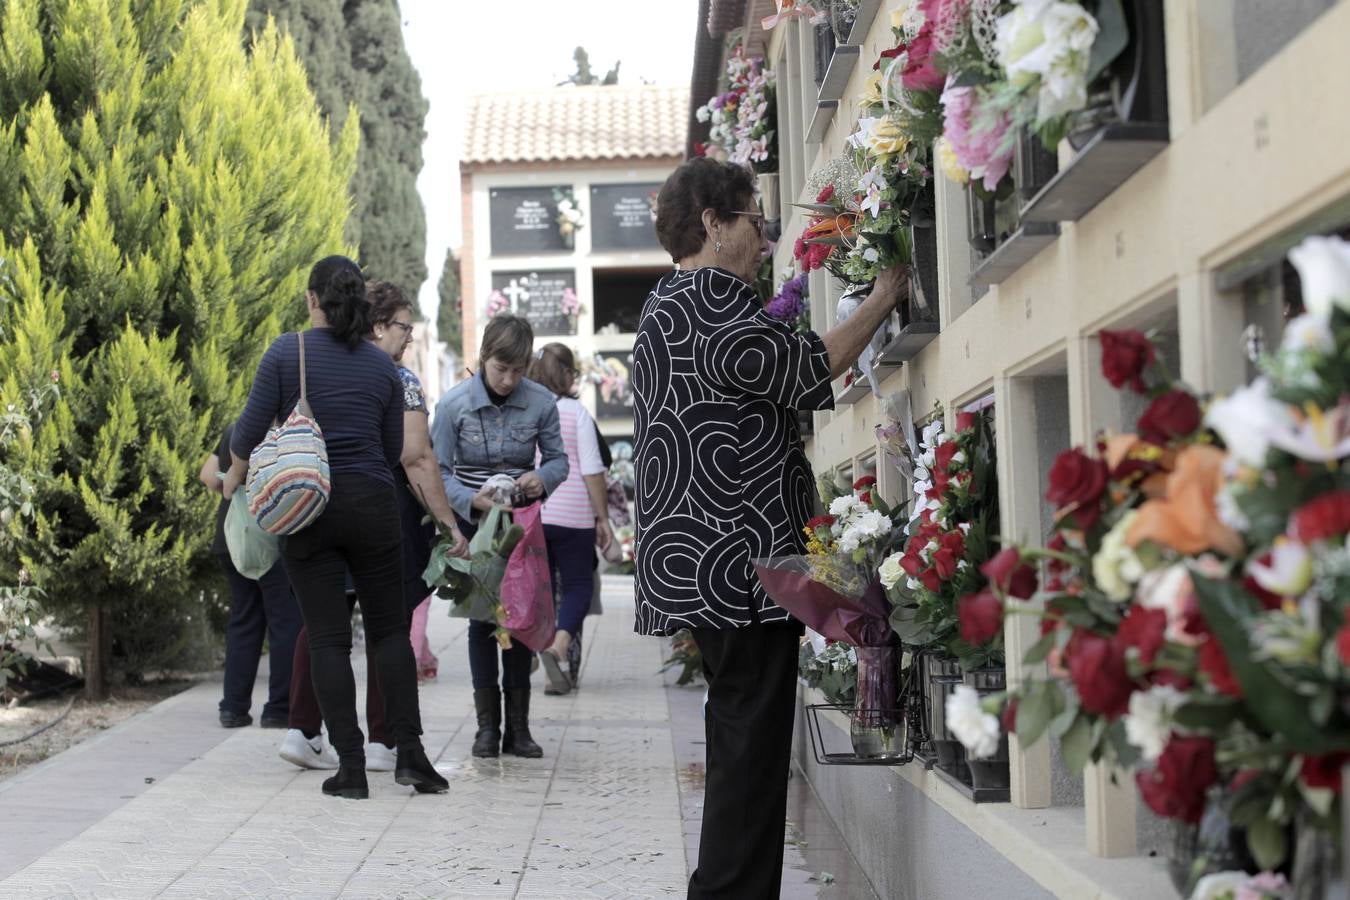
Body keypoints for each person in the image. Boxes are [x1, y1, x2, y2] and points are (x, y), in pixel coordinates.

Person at [633, 157, 907, 898]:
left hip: (699, 560)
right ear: (712, 224)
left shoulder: (665, 303)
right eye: (754, 222)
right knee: (751, 749)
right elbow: (809, 367)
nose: (765, 239)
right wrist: (884, 294)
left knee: (736, 737)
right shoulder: (714, 299)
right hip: (738, 564)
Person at [223, 255, 448, 800]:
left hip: (311, 511)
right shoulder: (383, 368)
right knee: (390, 633)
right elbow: (395, 447)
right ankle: (411, 756)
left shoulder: (286, 353)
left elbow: (244, 438)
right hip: (374, 506)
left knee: (327, 638)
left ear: (312, 300)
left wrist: (240, 470)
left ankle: (349, 767)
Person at [277, 280, 468, 773]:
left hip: (316, 509)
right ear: (379, 324)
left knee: (321, 628)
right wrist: (448, 523)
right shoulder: (394, 377)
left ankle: (304, 731)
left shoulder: (323, 363)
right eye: (405, 325)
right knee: (389, 625)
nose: (409, 336)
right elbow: (416, 455)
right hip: (381, 514)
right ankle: (384, 741)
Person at [431, 314, 568, 759]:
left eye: (518, 371)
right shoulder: (452, 407)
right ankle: (487, 729)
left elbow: (559, 461)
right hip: (474, 524)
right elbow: (437, 472)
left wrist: (540, 479)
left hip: (521, 525)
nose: (509, 380)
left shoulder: (543, 402)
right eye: (500, 370)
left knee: (519, 618)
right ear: (483, 357)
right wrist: (472, 502)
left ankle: (520, 730)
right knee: (482, 621)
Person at [198, 422, 301, 729]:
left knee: (244, 619)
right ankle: (278, 709)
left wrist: (235, 492)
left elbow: (207, 476)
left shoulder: (234, 430)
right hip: (273, 537)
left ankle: (233, 707)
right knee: (286, 622)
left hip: (233, 537)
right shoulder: (288, 435)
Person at [527, 343, 614, 696]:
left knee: (543, 592)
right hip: (573, 513)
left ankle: (545, 660)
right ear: (564, 374)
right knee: (579, 586)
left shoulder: (528, 409)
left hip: (535, 513)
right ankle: (559, 647)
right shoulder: (575, 412)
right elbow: (593, 470)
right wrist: (603, 518)